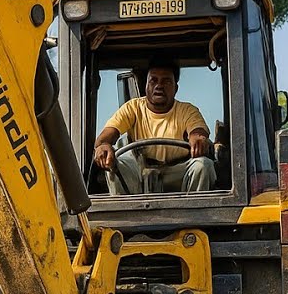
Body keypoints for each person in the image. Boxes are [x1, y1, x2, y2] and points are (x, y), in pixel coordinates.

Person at [92, 57, 216, 194]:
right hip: (140, 172)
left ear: (175, 88)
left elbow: (198, 132)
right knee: (113, 166)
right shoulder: (132, 108)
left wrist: (198, 139)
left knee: (203, 165)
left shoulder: (187, 110)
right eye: (153, 80)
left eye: (166, 81)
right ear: (146, 86)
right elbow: (104, 138)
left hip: (178, 173)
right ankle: (124, 207)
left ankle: (195, 207)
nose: (159, 86)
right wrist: (103, 146)